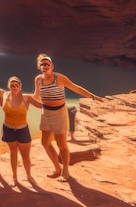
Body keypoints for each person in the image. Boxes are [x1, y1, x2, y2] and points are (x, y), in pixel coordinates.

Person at [33, 53, 103, 181]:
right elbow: (36, 96)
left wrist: (93, 96)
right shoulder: (38, 79)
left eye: (47, 64)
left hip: (59, 113)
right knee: (45, 142)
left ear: (52, 66)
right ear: (40, 67)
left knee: (61, 144)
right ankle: (57, 168)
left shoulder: (59, 78)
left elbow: (76, 88)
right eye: (42, 64)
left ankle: (65, 171)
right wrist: (17, 98)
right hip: (45, 113)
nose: (44, 66)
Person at [2, 76, 40, 185]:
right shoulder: (4, 96)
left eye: (16, 85)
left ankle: (29, 176)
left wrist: (56, 107)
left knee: (25, 155)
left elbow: (41, 105)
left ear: (20, 86)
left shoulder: (27, 98)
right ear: (9, 86)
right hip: (8, 128)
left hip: (22, 129)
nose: (14, 87)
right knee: (13, 153)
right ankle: (14, 178)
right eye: (12, 85)